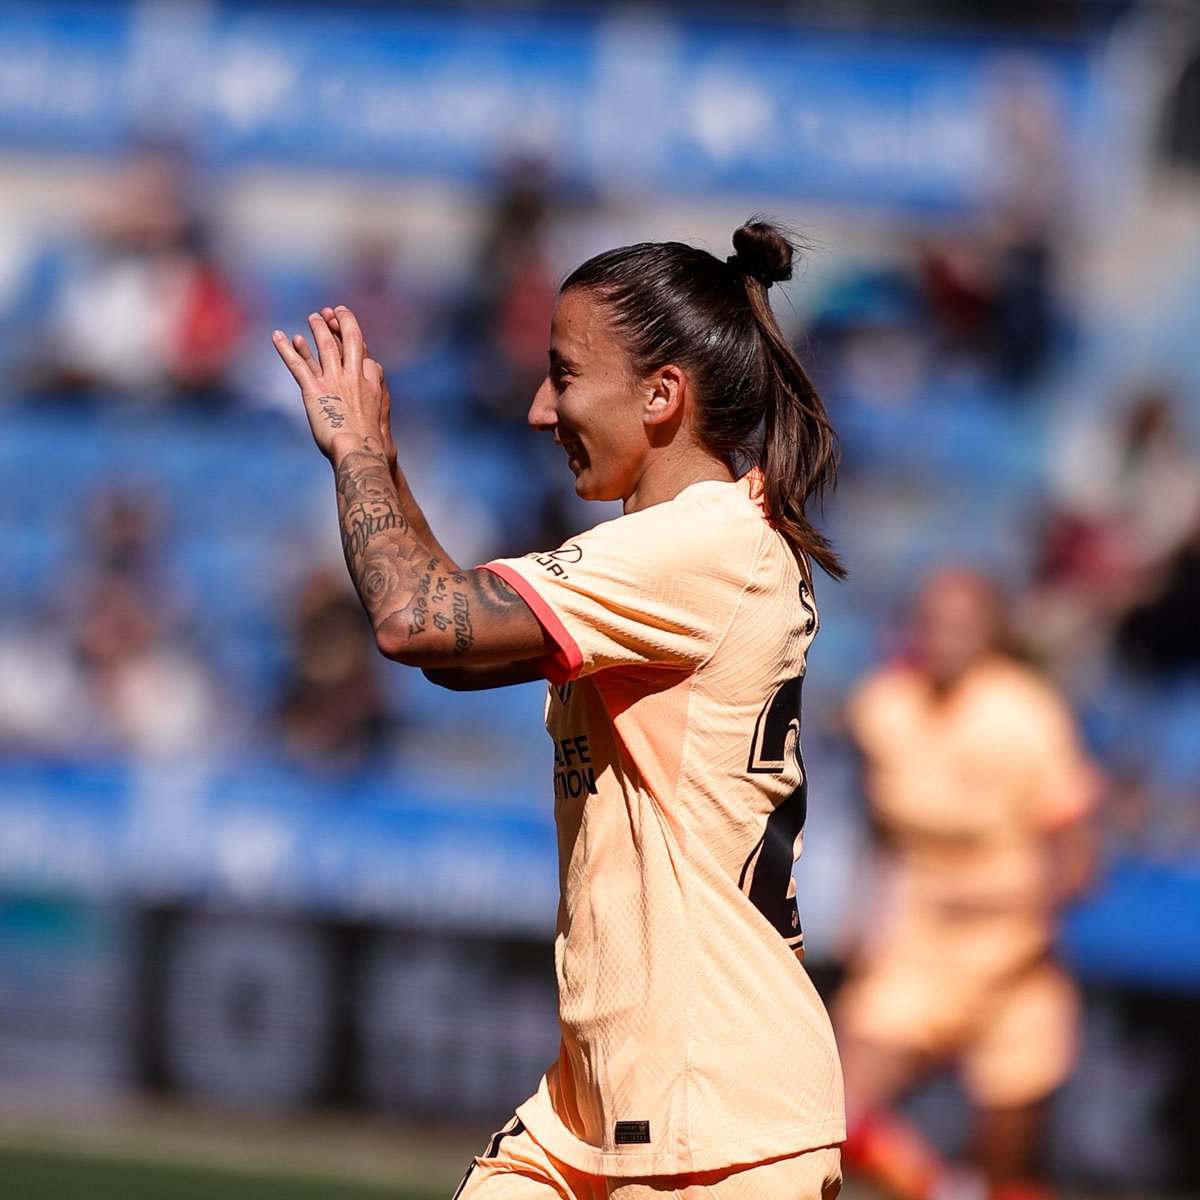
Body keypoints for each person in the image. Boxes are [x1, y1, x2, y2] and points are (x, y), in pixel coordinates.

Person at [271, 219, 846, 1199]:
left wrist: (360, 450)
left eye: (564, 375)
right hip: (596, 1101)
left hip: (715, 1110)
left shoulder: (698, 549)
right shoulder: (689, 549)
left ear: (662, 395)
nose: (540, 410)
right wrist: (386, 462)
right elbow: (453, 655)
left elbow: (417, 620)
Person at [835, 568, 1098, 1200]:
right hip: (915, 947)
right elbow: (882, 835)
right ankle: (939, 1189)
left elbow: (1081, 864)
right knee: (835, 1114)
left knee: (1009, 1174)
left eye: (963, 626)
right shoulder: (881, 709)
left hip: (1016, 962)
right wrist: (862, 912)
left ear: (991, 634)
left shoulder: (1028, 717)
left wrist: (1001, 905)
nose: (945, 638)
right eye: (933, 623)